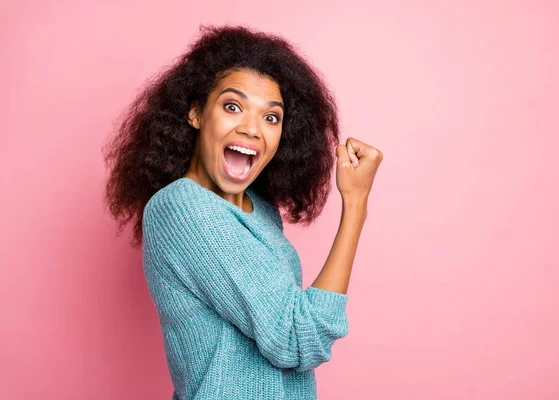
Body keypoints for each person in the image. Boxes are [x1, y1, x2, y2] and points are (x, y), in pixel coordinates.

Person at [102, 24, 383, 400]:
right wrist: (356, 206)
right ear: (196, 114)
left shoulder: (260, 211)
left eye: (271, 117)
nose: (252, 129)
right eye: (232, 106)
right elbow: (296, 338)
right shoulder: (183, 208)